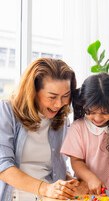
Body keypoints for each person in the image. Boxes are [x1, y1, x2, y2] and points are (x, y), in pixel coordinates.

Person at [0, 58, 80, 201]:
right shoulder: (6, 112)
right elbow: (3, 167)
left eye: (65, 96)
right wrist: (46, 188)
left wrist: (72, 184)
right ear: (33, 91)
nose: (58, 104)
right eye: (52, 97)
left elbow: (56, 170)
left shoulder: (61, 122)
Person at [61, 73, 109, 197]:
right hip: (87, 191)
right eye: (91, 112)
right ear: (83, 104)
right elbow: (76, 161)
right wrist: (90, 178)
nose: (98, 118)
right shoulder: (78, 127)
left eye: (105, 112)